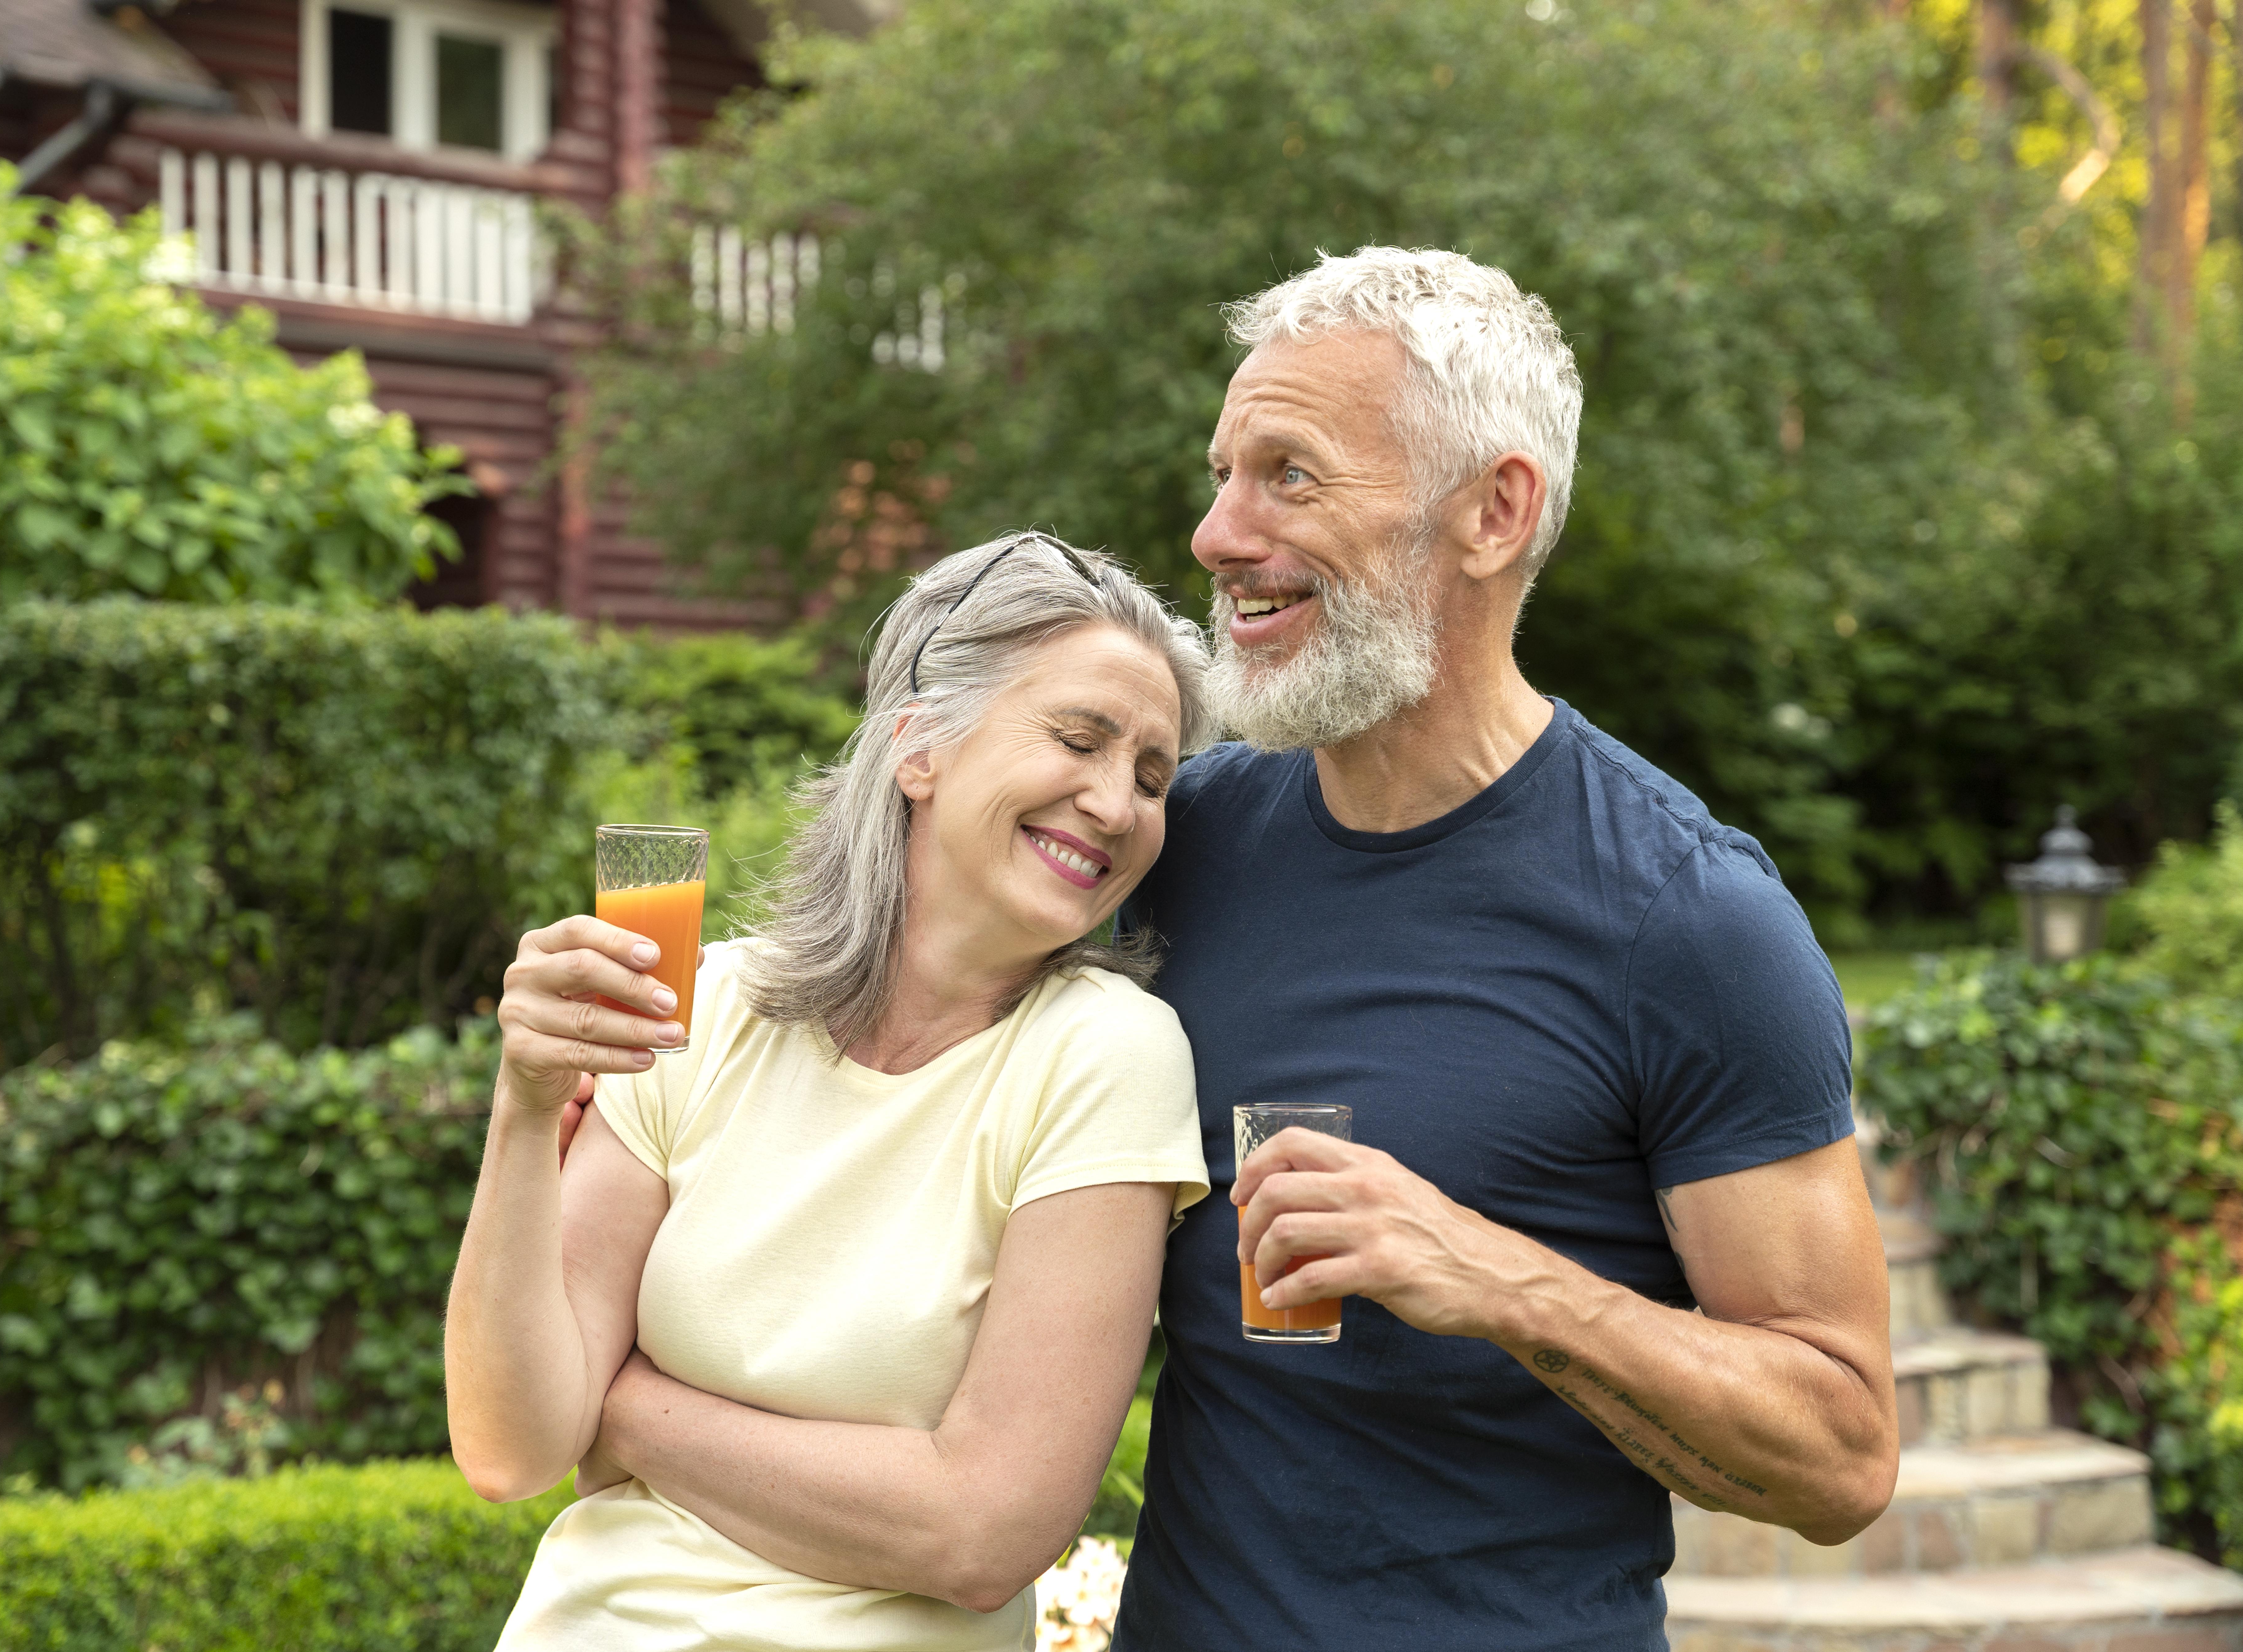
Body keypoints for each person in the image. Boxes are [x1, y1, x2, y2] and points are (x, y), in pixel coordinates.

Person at [1111, 248, 1900, 1651]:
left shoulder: (1689, 919)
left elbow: (1840, 1455)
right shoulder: (1183, 842)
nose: (1216, 533)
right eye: (1223, 473)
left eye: (1290, 476)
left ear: (1493, 510)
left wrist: (1495, 1278)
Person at [444, 533, 1216, 1652]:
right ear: (919, 748)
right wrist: (524, 1108)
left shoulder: (1106, 1059)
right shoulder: (700, 1006)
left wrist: (628, 1410)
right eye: (1078, 740)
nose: (1116, 804)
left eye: (1152, 777)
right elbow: (511, 1450)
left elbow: (982, 1533)